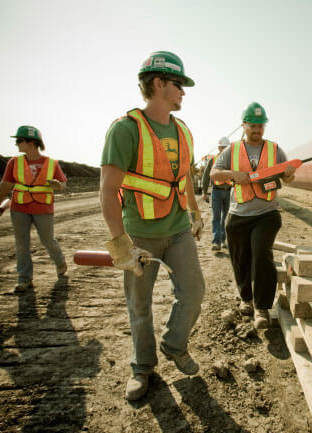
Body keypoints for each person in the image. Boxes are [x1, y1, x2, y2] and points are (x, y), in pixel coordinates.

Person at [100, 50, 205, 401]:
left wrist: (193, 212)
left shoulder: (183, 131)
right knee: (139, 306)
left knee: (193, 294)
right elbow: (108, 190)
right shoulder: (125, 130)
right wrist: (121, 245)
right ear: (158, 84)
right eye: (178, 84)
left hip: (176, 230)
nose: (183, 92)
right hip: (141, 234)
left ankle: (174, 344)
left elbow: (185, 177)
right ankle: (142, 368)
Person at [210, 102, 296, 330]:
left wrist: (288, 174)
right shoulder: (232, 150)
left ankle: (262, 307)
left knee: (261, 255)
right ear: (243, 125)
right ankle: (246, 299)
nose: (257, 130)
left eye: (261, 125)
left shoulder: (275, 150)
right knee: (240, 260)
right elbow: (214, 175)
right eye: (253, 125)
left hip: (266, 214)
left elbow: (289, 179)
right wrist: (233, 174)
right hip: (238, 215)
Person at [0, 125, 68, 292]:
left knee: (48, 240)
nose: (17, 144)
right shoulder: (14, 162)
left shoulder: (51, 163)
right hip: (19, 208)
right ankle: (24, 279)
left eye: (20, 141)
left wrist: (57, 185)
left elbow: (62, 184)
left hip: (43, 209)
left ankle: (60, 262)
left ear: (32, 142)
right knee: (21, 244)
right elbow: (5, 184)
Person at [201, 137, 232, 251]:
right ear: (219, 147)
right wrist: (204, 192)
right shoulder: (213, 160)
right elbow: (205, 176)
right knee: (216, 217)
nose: (224, 149)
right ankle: (216, 242)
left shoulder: (232, 160)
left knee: (226, 217)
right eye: (222, 147)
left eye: (226, 147)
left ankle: (223, 240)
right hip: (217, 191)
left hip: (229, 192)